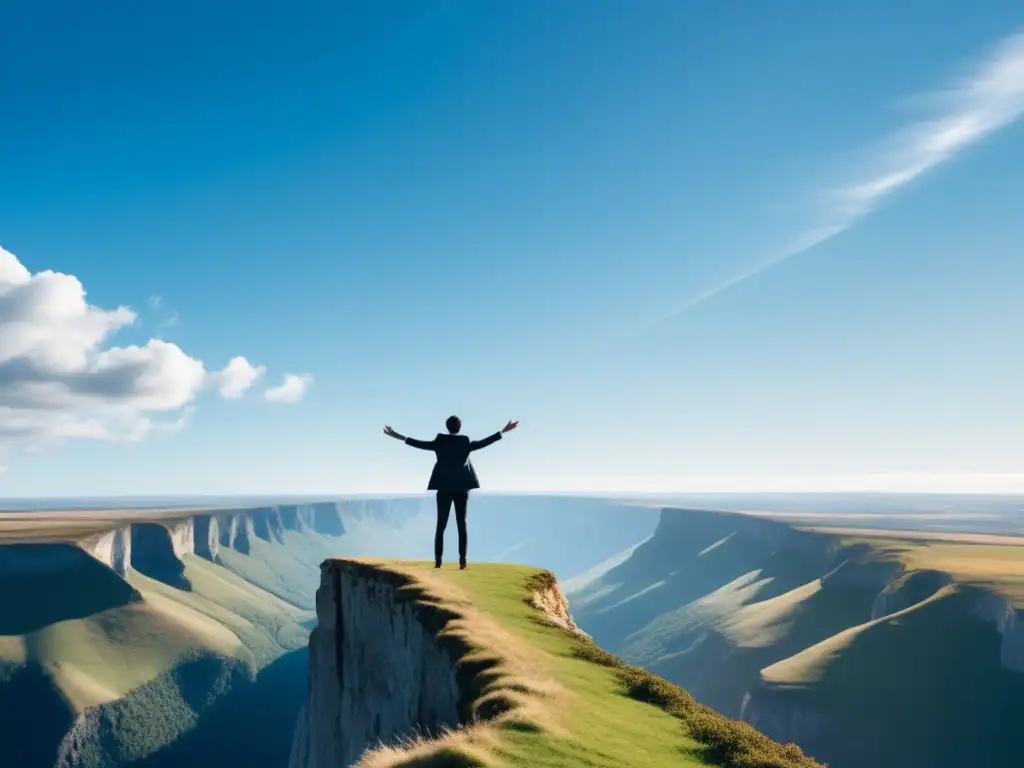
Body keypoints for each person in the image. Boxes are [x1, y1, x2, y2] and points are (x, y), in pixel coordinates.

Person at [383, 416, 518, 569]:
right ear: (459, 427)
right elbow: (484, 443)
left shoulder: (440, 442)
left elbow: (418, 443)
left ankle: (438, 562)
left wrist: (397, 435)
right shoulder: (464, 442)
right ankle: (462, 562)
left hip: (444, 489)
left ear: (447, 427)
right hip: (461, 489)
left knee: (441, 525)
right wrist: (503, 431)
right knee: (462, 524)